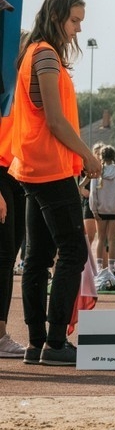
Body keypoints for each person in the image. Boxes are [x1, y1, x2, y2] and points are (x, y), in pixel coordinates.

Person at [9, 0, 101, 366]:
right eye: (74, 20)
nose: (78, 29)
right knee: (73, 251)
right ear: (56, 16)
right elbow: (56, 121)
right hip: (49, 166)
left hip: (32, 166)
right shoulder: (45, 55)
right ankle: (54, 343)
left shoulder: (35, 53)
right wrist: (88, 156)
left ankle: (36, 344)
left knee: (38, 255)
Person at [0, 108, 26, 358]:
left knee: (9, 257)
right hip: (1, 171)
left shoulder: (24, 77)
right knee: (4, 255)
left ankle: (1, 334)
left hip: (19, 171)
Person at [89, 145, 115, 271]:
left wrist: (94, 209)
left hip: (101, 209)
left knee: (101, 238)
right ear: (114, 156)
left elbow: (93, 193)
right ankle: (111, 266)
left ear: (101, 157)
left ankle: (98, 266)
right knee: (112, 238)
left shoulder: (97, 172)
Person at [78, 141, 104, 245]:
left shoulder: (106, 169)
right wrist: (85, 191)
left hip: (103, 204)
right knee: (89, 235)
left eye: (100, 153)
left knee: (103, 237)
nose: (98, 155)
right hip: (88, 203)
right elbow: (80, 186)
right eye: (96, 153)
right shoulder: (85, 168)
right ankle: (85, 259)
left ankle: (103, 260)